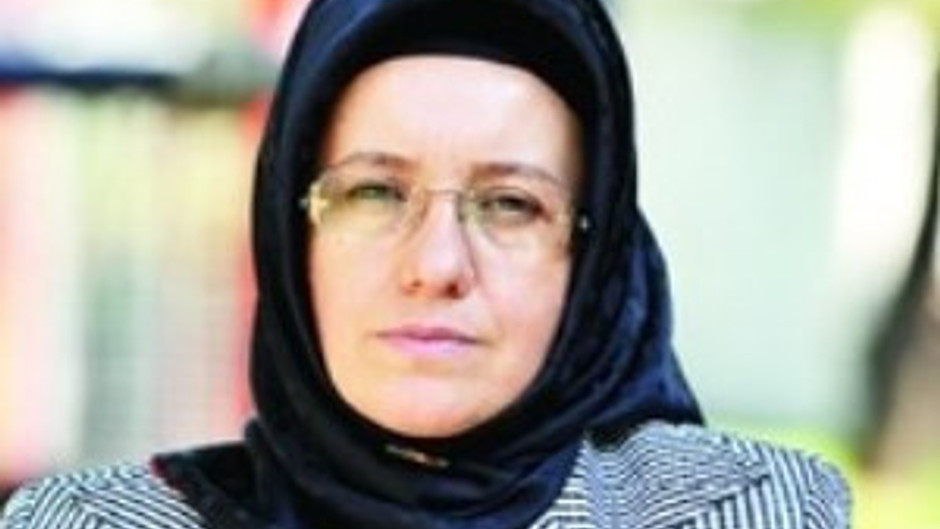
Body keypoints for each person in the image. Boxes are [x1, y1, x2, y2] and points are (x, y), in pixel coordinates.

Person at [0, 0, 852, 527]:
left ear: (592, 261)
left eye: (510, 204)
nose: (437, 264)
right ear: (293, 238)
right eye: (375, 193)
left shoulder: (742, 513)